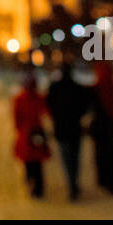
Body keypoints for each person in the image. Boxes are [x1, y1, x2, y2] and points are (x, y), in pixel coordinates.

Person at [46, 55, 90, 201]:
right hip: (75, 128)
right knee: (75, 157)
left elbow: (49, 107)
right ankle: (73, 184)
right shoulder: (77, 88)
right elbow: (85, 107)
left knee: (66, 158)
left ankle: (71, 184)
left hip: (61, 128)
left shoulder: (54, 87)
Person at [12, 71, 51, 198]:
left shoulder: (19, 99)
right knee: (37, 164)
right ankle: (38, 188)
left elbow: (16, 119)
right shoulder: (38, 98)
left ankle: (31, 183)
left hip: (26, 134)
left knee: (29, 163)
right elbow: (46, 112)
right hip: (36, 133)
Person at [90, 60, 113, 194]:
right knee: (111, 156)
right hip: (109, 126)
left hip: (101, 128)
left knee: (102, 155)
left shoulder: (98, 88)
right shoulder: (109, 88)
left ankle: (105, 180)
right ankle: (112, 183)